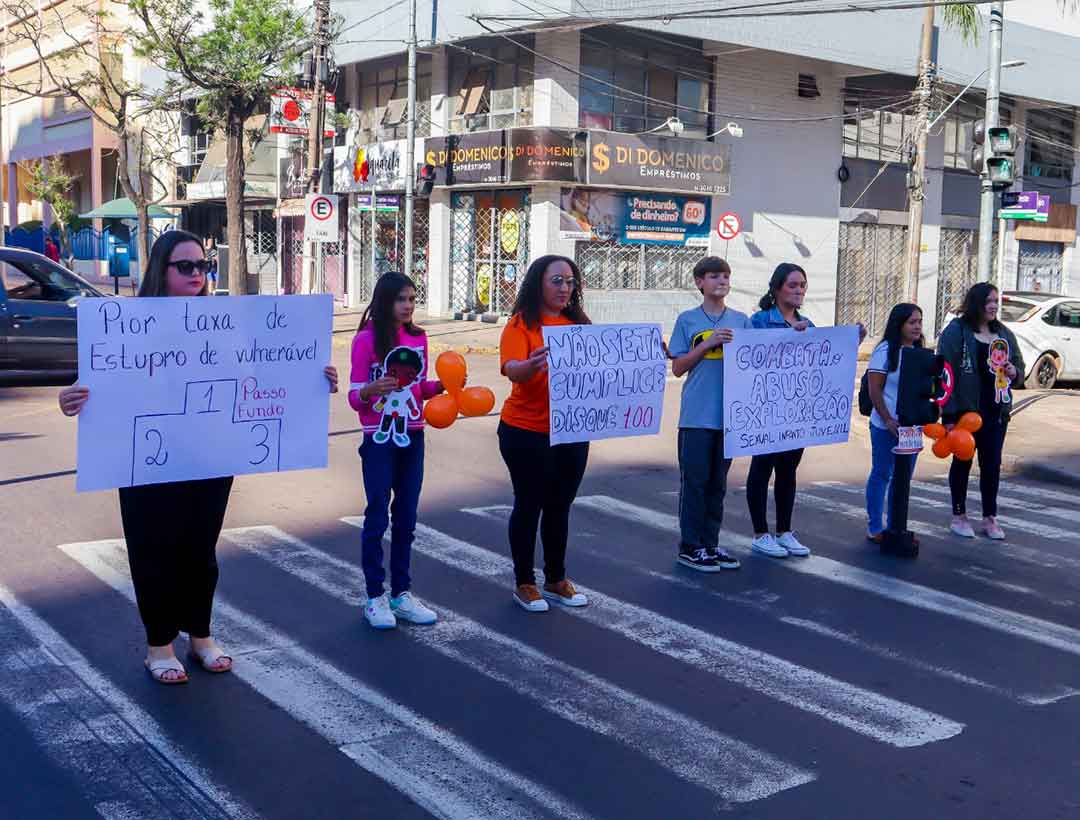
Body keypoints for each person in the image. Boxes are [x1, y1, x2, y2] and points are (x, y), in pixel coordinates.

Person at [58, 230, 339, 684]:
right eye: (185, 266)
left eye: (203, 266)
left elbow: (262, 371)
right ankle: (159, 645)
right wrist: (70, 399)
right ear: (161, 269)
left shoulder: (226, 321)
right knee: (153, 550)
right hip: (145, 459)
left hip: (210, 455)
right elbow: (95, 380)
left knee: (200, 550)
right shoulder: (127, 321)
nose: (197, 274)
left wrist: (313, 379)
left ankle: (201, 636)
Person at [745, 262, 866, 558]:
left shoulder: (808, 323)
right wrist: (790, 337)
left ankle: (784, 531)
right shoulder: (759, 321)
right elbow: (749, 359)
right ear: (776, 289)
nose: (799, 290)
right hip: (766, 409)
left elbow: (824, 362)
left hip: (796, 411)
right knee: (762, 468)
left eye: (802, 285)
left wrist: (852, 341)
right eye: (793, 285)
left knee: (788, 470)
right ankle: (760, 533)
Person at [348, 271, 444, 629]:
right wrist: (371, 390)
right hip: (378, 437)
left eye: (412, 299)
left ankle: (401, 594)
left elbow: (417, 388)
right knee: (377, 515)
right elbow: (355, 397)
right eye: (401, 299)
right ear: (385, 301)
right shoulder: (365, 340)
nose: (408, 306)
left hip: (412, 435)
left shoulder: (418, 338)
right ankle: (374, 596)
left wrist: (441, 387)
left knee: (406, 516)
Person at [498, 255, 591, 612]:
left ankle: (556, 579)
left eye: (570, 281)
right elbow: (512, 370)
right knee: (529, 504)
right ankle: (525, 582)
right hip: (525, 431)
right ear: (538, 283)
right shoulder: (520, 325)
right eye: (557, 280)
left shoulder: (579, 323)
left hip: (570, 431)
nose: (565, 287)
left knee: (560, 506)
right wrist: (530, 365)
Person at [667, 257, 751, 572]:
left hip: (729, 417)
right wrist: (708, 344)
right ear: (699, 282)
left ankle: (710, 544)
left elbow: (758, 359)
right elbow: (678, 367)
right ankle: (690, 546)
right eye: (714, 276)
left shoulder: (742, 320)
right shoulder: (687, 320)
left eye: (726, 276)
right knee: (695, 483)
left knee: (718, 485)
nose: (722, 281)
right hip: (697, 416)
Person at [937, 282, 1024, 540]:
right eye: (989, 301)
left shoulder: (1003, 333)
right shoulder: (957, 331)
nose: (994, 306)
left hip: (996, 411)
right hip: (965, 413)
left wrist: (1014, 372)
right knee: (962, 461)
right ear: (977, 303)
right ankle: (959, 515)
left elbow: (1018, 366)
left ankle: (990, 517)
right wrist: (949, 415)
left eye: (996, 300)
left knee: (992, 465)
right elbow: (945, 373)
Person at [864, 303, 925, 544]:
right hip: (885, 425)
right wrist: (888, 419)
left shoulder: (920, 351)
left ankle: (896, 527)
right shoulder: (885, 350)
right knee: (882, 473)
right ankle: (875, 527)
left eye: (920, 321)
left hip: (912, 428)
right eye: (912, 322)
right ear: (899, 324)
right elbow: (874, 389)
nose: (917, 326)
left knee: (903, 477)